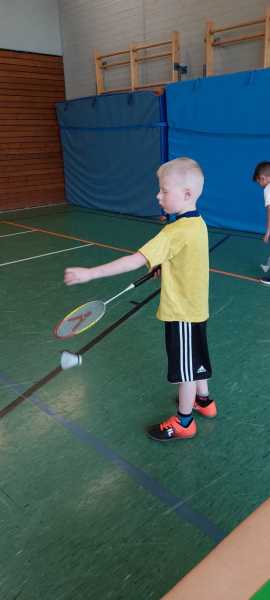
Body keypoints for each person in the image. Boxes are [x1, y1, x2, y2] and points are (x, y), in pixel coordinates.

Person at [64, 157, 216, 442]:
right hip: (198, 309)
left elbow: (134, 261)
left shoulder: (173, 232)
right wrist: (166, 265)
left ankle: (185, 421)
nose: (158, 195)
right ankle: (205, 401)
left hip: (181, 313)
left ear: (186, 194)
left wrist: (90, 273)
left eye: (164, 190)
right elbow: (188, 258)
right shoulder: (198, 225)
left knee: (184, 371)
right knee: (195, 358)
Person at [252, 162, 270, 285]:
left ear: (263, 178)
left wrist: (268, 230)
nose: (260, 185)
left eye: (259, 181)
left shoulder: (268, 189)